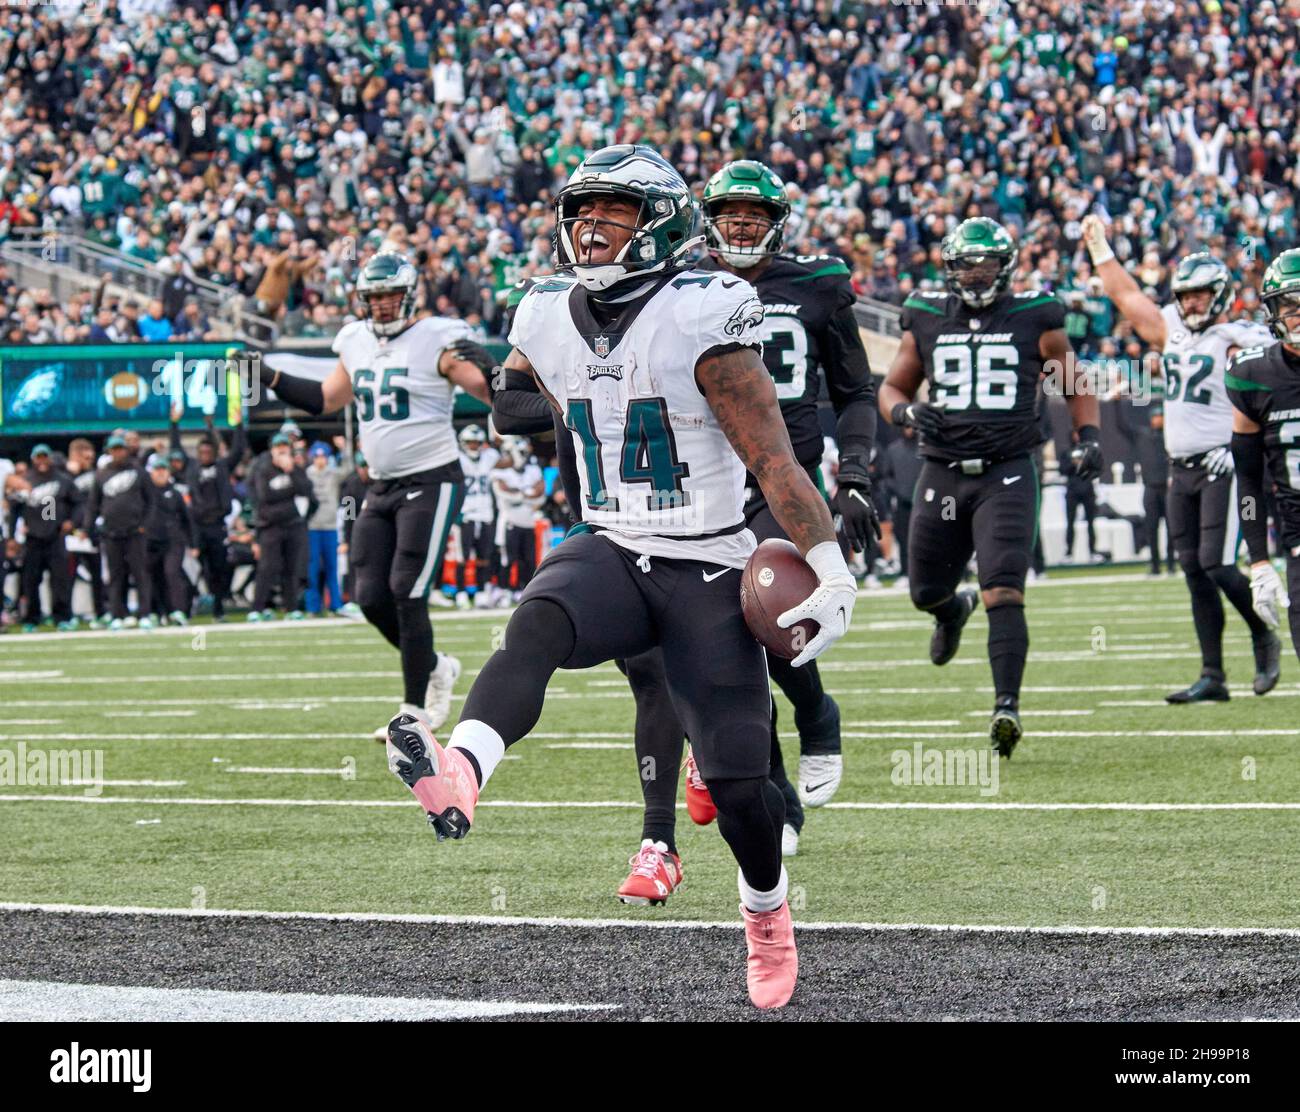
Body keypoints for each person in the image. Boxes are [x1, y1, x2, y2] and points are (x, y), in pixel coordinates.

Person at [384, 146, 858, 1010]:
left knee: (743, 782)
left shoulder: (702, 310)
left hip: (708, 561)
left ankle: (765, 913)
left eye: (613, 211)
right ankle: (461, 768)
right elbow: (520, 399)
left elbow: (775, 460)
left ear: (663, 222)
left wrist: (830, 569)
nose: (589, 226)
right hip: (611, 541)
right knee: (535, 621)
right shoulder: (546, 310)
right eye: (581, 210)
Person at [880, 216, 1103, 757]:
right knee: (925, 590)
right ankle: (950, 611)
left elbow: (1075, 383)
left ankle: (1007, 705)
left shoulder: (1037, 316)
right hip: (944, 470)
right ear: (950, 269)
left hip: (1008, 469)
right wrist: (907, 411)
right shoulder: (927, 315)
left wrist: (1089, 436)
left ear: (1006, 267)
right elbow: (891, 388)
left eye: (986, 264)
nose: (976, 274)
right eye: (966, 265)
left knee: (1003, 588)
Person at [254, 251, 492, 734]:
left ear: (408, 296)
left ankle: (414, 712)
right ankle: (434, 666)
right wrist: (271, 378)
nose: (381, 306)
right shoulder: (355, 340)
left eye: (389, 296)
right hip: (379, 485)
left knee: (407, 589)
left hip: (432, 478)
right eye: (373, 297)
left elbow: (487, 389)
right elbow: (326, 397)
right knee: (369, 596)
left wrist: (503, 384)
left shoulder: (437, 338)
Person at [1084, 215, 1281, 701]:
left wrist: (1242, 454)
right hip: (1181, 468)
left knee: (1216, 564)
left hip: (1222, 464)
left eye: (1199, 293)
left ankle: (1262, 633)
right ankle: (1213, 675)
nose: (1191, 301)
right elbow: (1126, 297)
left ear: (1218, 293)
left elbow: (1276, 387)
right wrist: (1100, 249)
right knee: (1193, 568)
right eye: (1185, 294)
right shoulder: (1169, 328)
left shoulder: (1243, 337)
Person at [1228, 248, 1300, 664]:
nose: (1298, 315)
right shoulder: (1253, 375)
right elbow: (1250, 480)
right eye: (1290, 305)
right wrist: (1258, 561)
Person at [173, 411, 246, 621]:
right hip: (196, 527)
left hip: (217, 526)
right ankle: (185, 610)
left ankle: (218, 609)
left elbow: (238, 451)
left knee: (219, 569)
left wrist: (239, 426)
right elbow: (176, 448)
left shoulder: (222, 467)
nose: (204, 453)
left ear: (214, 453)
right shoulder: (192, 468)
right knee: (193, 570)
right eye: (201, 451)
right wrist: (174, 423)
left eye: (208, 451)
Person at [87, 434, 155, 630]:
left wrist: (145, 525)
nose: (118, 453)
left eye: (120, 449)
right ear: (109, 452)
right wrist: (87, 528)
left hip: (135, 531)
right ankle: (118, 613)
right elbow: (93, 504)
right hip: (111, 532)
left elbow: (151, 501)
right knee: (116, 575)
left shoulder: (139, 471)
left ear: (126, 450)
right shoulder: (101, 474)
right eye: (114, 450)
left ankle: (144, 614)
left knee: (140, 573)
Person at [8, 444, 79, 631]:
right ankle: (32, 617)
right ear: (33, 459)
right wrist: (12, 535)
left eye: (44, 457)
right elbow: (14, 509)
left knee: (60, 580)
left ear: (49, 458)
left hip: (56, 536)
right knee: (31, 580)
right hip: (33, 537)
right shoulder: (26, 480)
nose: (41, 461)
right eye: (38, 457)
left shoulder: (63, 480)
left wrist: (71, 521)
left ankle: (61, 616)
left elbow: (79, 503)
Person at [248, 433, 314, 622]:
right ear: (272, 450)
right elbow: (266, 496)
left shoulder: (296, 468)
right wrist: (290, 495)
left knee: (292, 568)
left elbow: (307, 490)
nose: (282, 450)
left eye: (285, 446)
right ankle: (258, 608)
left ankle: (291, 608)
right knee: (267, 568)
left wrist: (292, 471)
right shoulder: (263, 469)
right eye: (278, 447)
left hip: (294, 526)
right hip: (271, 526)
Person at [144, 453, 198, 625]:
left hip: (172, 540)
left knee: (172, 573)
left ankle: (178, 611)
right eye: (157, 470)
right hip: (150, 541)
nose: (160, 473)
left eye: (163, 470)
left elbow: (187, 519)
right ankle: (157, 612)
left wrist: (193, 543)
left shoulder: (175, 493)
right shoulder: (145, 493)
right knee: (152, 576)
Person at [455, 424, 500, 609]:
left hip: (485, 512)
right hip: (465, 513)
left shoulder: (489, 457)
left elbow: (507, 462)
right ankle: (461, 592)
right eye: (470, 443)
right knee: (462, 556)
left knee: (484, 556)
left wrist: (501, 444)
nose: (473, 446)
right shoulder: (456, 459)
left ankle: (481, 591)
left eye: (476, 442)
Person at [493, 435, 543, 601]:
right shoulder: (500, 471)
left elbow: (541, 495)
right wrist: (528, 494)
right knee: (508, 558)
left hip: (528, 521)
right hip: (509, 520)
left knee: (528, 559)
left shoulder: (533, 470)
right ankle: (504, 589)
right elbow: (505, 494)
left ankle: (523, 589)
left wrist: (521, 494)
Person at [304, 443, 347, 616]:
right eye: (317, 456)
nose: (320, 460)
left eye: (323, 457)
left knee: (332, 567)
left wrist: (343, 450)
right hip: (312, 526)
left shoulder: (334, 473)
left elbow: (348, 469)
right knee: (312, 568)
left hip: (330, 526)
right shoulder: (306, 474)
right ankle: (313, 607)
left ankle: (335, 604)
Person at [339, 452, 370, 611]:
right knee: (354, 567)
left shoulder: (379, 483)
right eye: (362, 467)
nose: (365, 470)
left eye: (367, 466)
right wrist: (346, 539)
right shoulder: (351, 485)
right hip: (357, 531)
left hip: (377, 531)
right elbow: (348, 515)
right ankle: (353, 598)